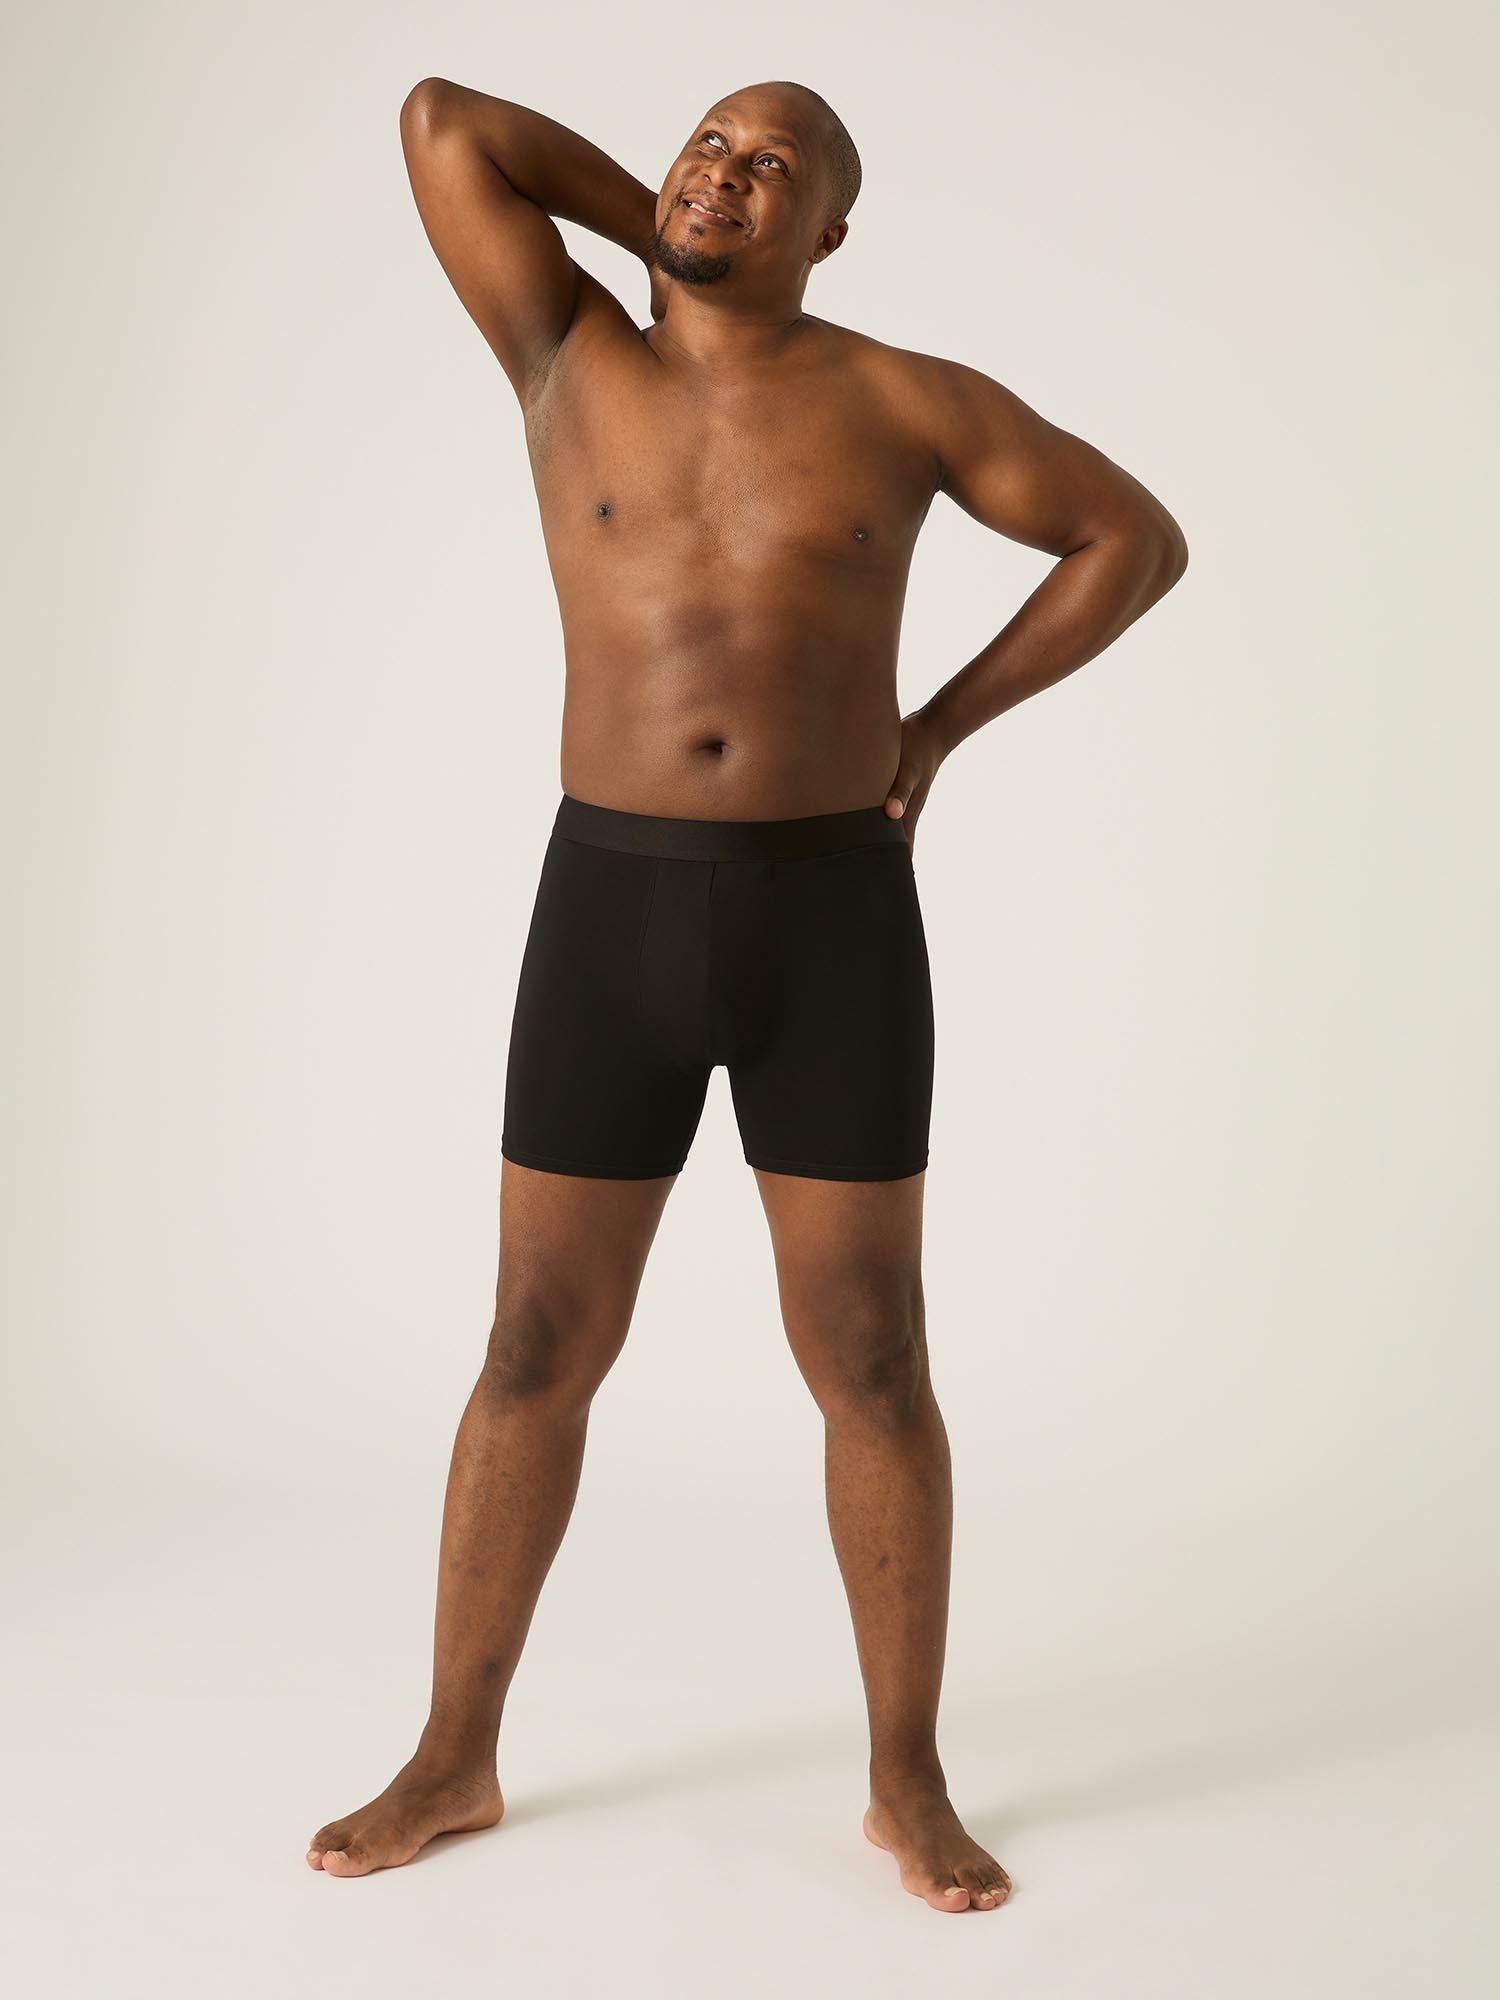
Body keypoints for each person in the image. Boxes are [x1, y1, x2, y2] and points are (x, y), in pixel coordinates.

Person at [305, 76, 1188, 1911]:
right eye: (709, 144)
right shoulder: (567, 349)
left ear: (832, 231)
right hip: (610, 907)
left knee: (872, 1358)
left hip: (829, 920)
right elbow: (446, 122)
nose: (726, 172)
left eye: (773, 168)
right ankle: (454, 1754)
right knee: (536, 1346)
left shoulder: (907, 401)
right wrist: (660, 227)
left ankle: (905, 1779)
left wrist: (937, 729)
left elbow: (1134, 539)